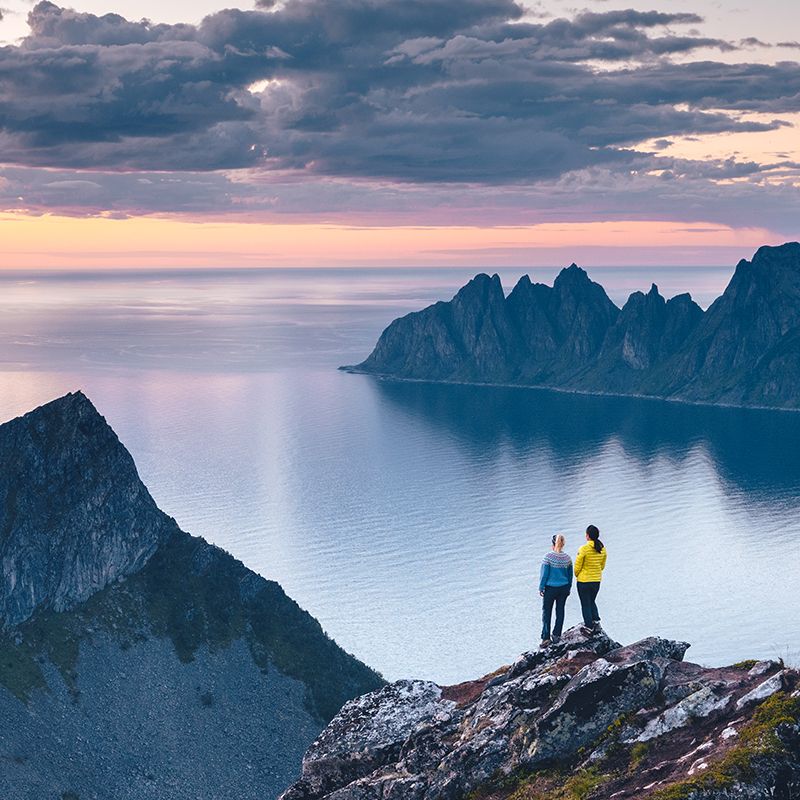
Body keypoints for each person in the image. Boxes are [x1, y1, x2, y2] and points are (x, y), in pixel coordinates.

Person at [539, 533, 573, 648]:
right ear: (563, 544)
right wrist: (568, 588)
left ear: (553, 544)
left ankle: (545, 638)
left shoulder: (548, 557)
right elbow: (570, 576)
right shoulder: (567, 558)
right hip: (563, 588)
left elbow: (544, 575)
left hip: (550, 589)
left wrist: (541, 587)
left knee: (546, 612)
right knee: (560, 611)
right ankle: (557, 635)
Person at [574, 524, 607, 633]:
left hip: (584, 581)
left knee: (585, 603)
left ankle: (589, 626)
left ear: (587, 536)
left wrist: (577, 574)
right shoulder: (602, 549)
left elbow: (577, 565)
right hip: (596, 581)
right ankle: (596, 621)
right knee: (592, 601)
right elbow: (602, 566)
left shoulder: (584, 549)